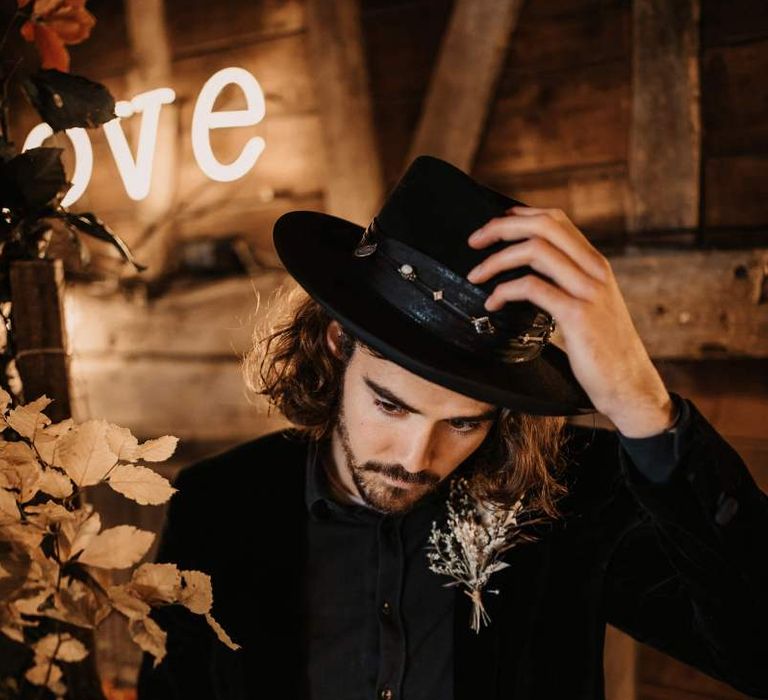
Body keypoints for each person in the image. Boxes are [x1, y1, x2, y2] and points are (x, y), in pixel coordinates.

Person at [136, 155, 768, 700]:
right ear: (336, 344)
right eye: (391, 406)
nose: (418, 456)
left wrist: (640, 401)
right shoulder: (215, 505)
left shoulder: (576, 494)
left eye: (465, 423)